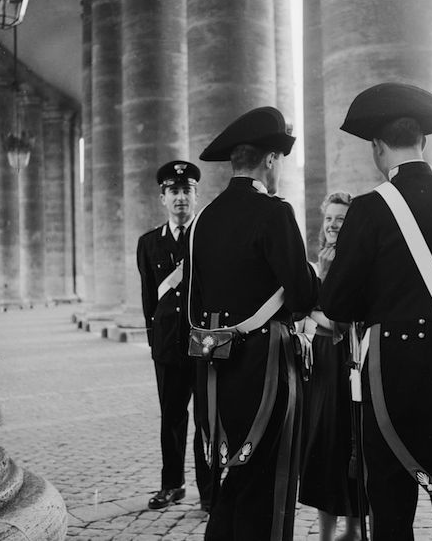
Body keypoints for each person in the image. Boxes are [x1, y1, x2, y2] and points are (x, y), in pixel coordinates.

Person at [320, 83, 432, 541]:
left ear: (379, 148)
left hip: (393, 380)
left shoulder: (367, 210)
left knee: (393, 512)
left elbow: (338, 304)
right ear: (423, 141)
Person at [188, 107, 319, 541]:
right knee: (268, 482)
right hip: (266, 368)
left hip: (216, 370)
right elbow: (300, 296)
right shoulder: (274, 212)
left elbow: (196, 302)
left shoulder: (202, 221)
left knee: (235, 478)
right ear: (270, 161)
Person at [136, 161, 211, 511]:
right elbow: (149, 298)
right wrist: (155, 343)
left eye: (187, 191)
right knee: (172, 418)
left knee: (206, 420)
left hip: (202, 345)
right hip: (167, 347)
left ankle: (209, 491)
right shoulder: (149, 243)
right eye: (174, 191)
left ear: (196, 196)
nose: (181, 198)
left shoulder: (209, 238)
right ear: (163, 198)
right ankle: (172, 485)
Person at [298, 191, 362, 541]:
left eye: (341, 218)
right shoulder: (314, 263)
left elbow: (337, 318)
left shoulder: (357, 261)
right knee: (323, 444)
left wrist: (324, 291)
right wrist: (321, 307)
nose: (334, 225)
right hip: (324, 363)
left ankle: (353, 528)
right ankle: (325, 534)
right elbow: (307, 310)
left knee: (352, 443)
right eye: (329, 219)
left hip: (351, 360)